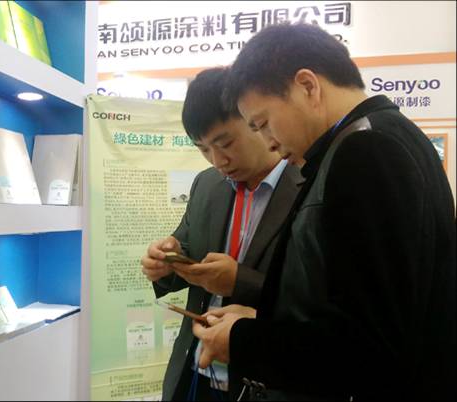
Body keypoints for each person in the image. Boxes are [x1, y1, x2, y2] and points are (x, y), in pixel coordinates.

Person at [192, 23, 456, 401]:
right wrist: (263, 320)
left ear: (307, 86)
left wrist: (243, 340)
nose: (268, 142)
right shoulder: (389, 135)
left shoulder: (363, 153)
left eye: (263, 123)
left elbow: (366, 349)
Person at [140, 67, 303, 401]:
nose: (218, 161)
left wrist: (239, 282)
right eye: (203, 149)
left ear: (255, 120)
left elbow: (315, 297)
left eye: (225, 143)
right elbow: (187, 248)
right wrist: (166, 262)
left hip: (264, 379)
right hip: (196, 371)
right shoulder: (206, 184)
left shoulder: (307, 186)